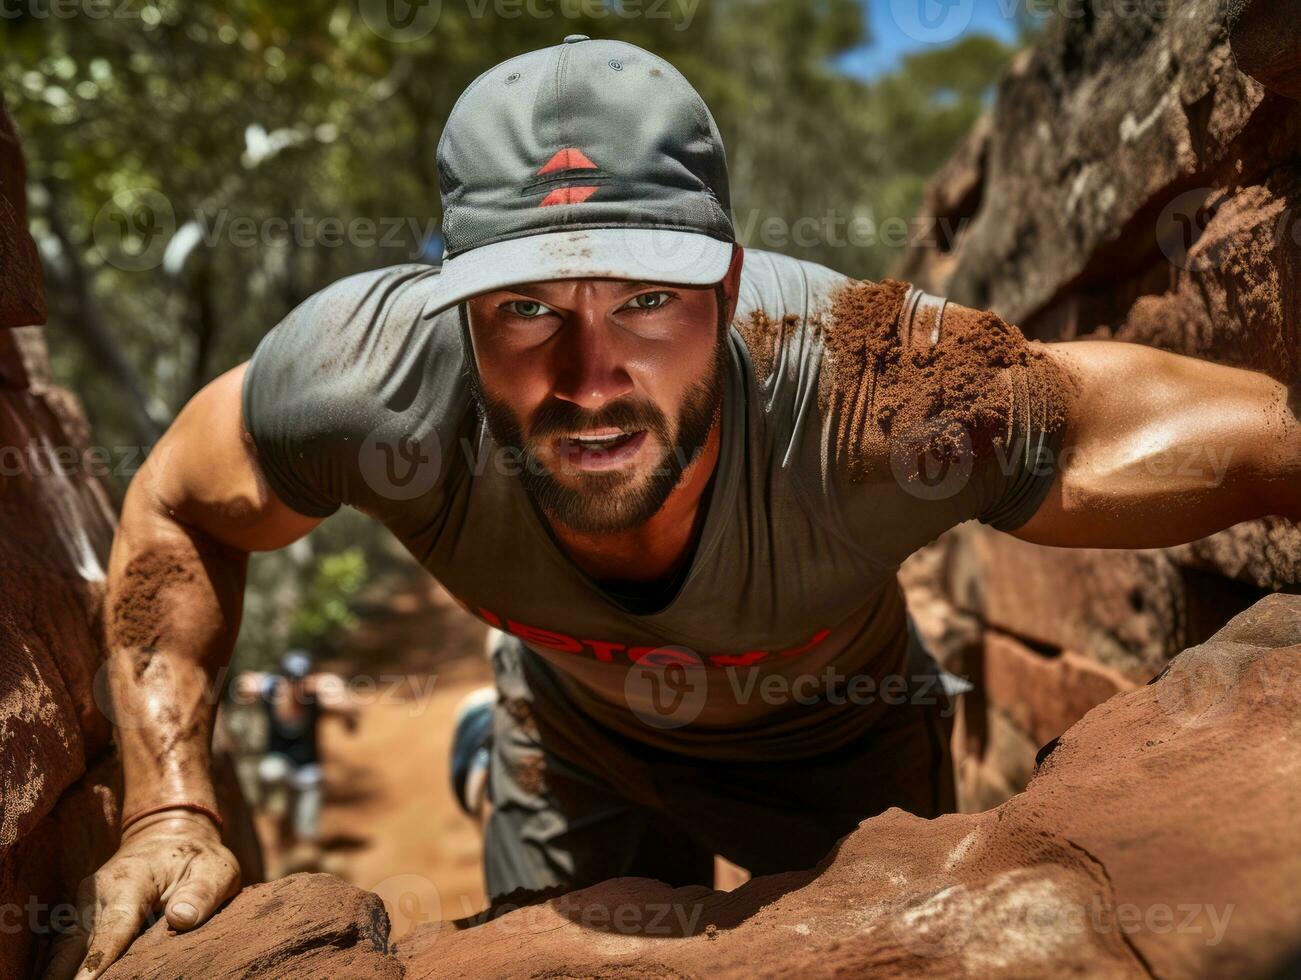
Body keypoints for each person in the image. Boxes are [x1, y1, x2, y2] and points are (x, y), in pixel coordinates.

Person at [50, 37, 1299, 979]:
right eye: (527, 307)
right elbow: (177, 498)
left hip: (835, 738)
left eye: (644, 298)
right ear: (454, 304)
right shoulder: (368, 386)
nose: (588, 374)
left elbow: (1118, 421)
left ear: (730, 283)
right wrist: (169, 801)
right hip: (573, 744)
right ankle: (501, 743)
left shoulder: (863, 390)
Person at [232, 650, 358, 867]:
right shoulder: (271, 689)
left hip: (308, 768)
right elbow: (243, 684)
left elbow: (350, 710)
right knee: (273, 773)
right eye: (290, 679)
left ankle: (303, 849)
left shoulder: (317, 695)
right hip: (279, 763)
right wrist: (258, 684)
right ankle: (277, 843)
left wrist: (331, 687)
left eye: (300, 680)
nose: (295, 685)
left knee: (308, 822)